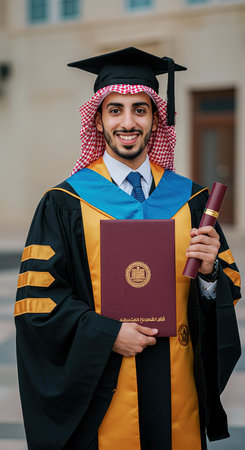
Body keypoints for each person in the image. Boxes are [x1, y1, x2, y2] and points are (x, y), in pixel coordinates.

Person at [15, 47, 241, 450]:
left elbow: (226, 291)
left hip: (179, 384)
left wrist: (210, 276)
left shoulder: (191, 201)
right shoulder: (64, 203)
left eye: (140, 109)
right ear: (98, 121)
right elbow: (38, 303)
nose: (128, 121)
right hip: (106, 385)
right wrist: (106, 334)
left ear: (156, 120)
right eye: (115, 110)